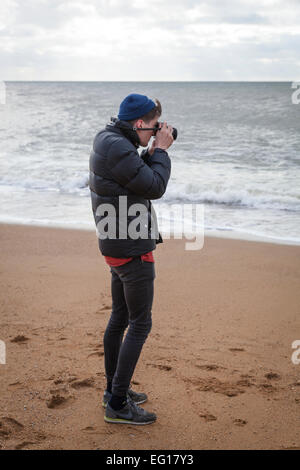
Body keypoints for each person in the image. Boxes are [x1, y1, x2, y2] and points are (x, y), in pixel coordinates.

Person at [89, 93, 173, 425]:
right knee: (140, 323)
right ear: (139, 123)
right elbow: (155, 186)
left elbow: (130, 175)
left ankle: (114, 390)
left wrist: (148, 151)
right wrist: (162, 152)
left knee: (120, 319)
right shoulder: (119, 147)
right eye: (152, 129)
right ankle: (118, 404)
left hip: (115, 245)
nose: (154, 134)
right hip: (131, 248)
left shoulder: (108, 139)